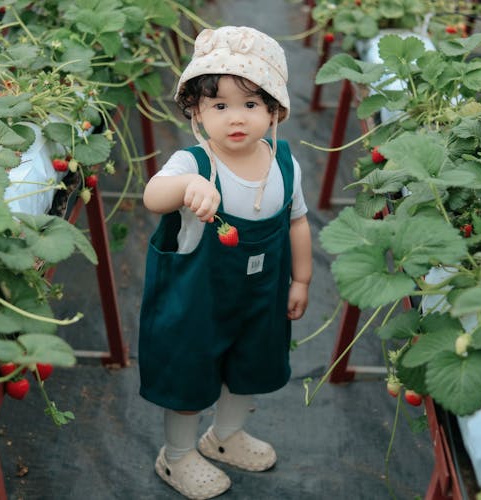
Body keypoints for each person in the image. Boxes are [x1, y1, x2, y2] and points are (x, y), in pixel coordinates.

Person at [139, 25, 312, 499]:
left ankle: (225, 436)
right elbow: (153, 196)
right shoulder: (193, 165)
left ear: (275, 110)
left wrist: (301, 279)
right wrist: (185, 189)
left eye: (251, 105)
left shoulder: (283, 164)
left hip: (260, 298)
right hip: (199, 303)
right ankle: (176, 457)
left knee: (248, 369)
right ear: (195, 112)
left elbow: (297, 222)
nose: (236, 118)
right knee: (191, 379)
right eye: (219, 106)